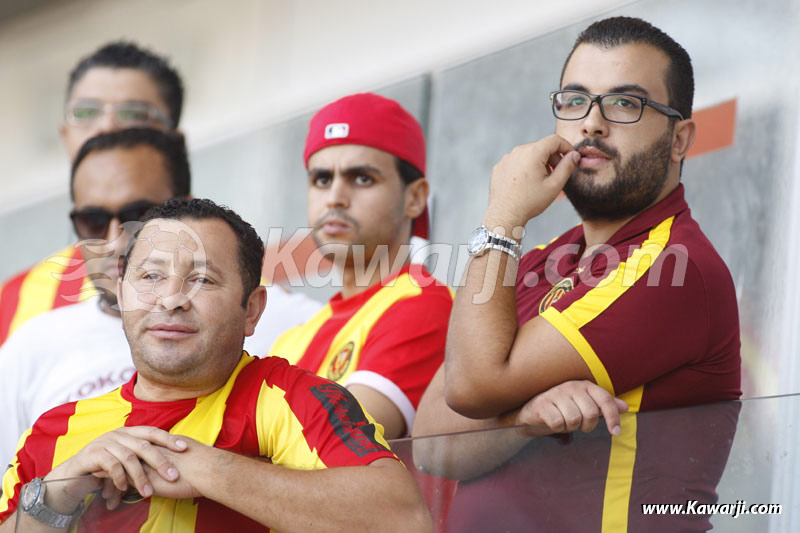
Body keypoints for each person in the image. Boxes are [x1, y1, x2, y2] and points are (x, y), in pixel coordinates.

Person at [414, 14, 741, 485]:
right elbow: (430, 443)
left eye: (625, 103)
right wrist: (521, 420)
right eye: (575, 100)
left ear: (680, 140)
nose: (592, 123)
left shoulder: (675, 265)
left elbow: (469, 388)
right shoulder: (536, 259)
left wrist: (504, 216)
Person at [0, 198, 431, 532]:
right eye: (150, 277)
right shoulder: (51, 433)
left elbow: (405, 520)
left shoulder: (289, 398)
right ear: (122, 293)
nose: (171, 298)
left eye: (203, 279)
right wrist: (53, 501)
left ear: (252, 310)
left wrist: (205, 468)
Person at [0, 128, 320, 467]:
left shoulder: (287, 321)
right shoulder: (30, 347)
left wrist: (208, 473)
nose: (113, 240)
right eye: (91, 220)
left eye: (137, 216)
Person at [269, 93, 453, 439]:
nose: (335, 196)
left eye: (362, 178)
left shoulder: (423, 306)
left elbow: (336, 449)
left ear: (414, 198)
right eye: (322, 179)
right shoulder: (293, 340)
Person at [0, 41, 183, 347]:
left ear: (174, 143)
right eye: (86, 112)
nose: (106, 128)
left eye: (134, 113)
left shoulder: (237, 293)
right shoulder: (15, 302)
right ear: (65, 135)